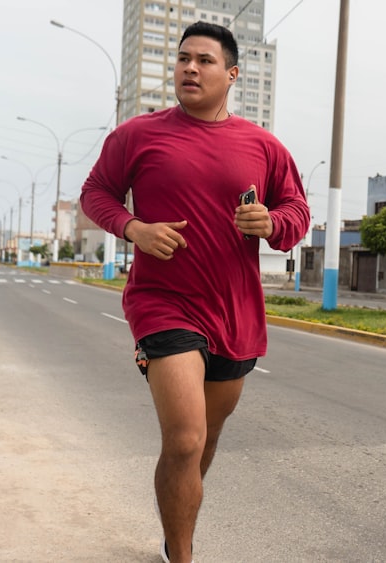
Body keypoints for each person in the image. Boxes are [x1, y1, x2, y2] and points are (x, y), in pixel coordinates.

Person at [80, 21, 309, 563]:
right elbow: (96, 193)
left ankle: (174, 515)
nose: (189, 67)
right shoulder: (137, 135)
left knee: (201, 444)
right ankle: (181, 555)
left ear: (231, 74)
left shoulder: (263, 146)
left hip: (235, 311)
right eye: (184, 58)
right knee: (184, 439)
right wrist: (134, 228)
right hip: (163, 302)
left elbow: (298, 214)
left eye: (204, 60)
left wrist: (270, 223)